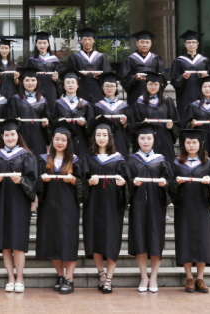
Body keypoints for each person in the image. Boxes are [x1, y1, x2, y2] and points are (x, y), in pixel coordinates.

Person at [166, 129, 210, 294]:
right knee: (185, 240)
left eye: (194, 142)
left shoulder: (209, 164)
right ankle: (189, 278)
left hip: (203, 208)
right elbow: (169, 185)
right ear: (184, 144)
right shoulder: (176, 163)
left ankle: (200, 278)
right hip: (184, 208)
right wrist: (176, 183)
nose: (191, 145)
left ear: (200, 144)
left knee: (203, 241)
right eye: (188, 142)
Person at [0, 119, 38, 293]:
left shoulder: (26, 155)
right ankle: (10, 278)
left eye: (12, 134)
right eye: (6, 135)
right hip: (1, 203)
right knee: (5, 242)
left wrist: (22, 180)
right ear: (2, 136)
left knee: (18, 241)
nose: (9, 138)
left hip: (19, 204)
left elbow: (33, 180)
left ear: (18, 136)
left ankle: (20, 279)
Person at [81, 117, 128, 294]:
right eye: (98, 135)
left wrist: (124, 184)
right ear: (94, 137)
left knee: (111, 240)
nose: (101, 138)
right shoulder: (87, 159)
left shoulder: (119, 159)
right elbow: (80, 184)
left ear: (110, 137)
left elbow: (127, 185)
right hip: (93, 206)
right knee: (94, 239)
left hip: (112, 206)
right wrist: (88, 183)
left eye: (104, 135)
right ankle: (101, 274)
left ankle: (109, 278)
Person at [36, 121, 83, 294]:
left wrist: (73, 180)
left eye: (63, 139)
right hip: (48, 206)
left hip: (68, 207)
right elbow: (36, 184)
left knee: (68, 241)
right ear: (52, 140)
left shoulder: (75, 161)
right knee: (52, 241)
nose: (60, 142)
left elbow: (83, 185)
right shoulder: (43, 159)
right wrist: (42, 180)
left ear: (68, 141)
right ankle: (60, 275)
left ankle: (69, 278)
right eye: (57, 139)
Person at [126, 122, 171, 293]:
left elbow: (170, 183)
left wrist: (165, 184)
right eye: (142, 138)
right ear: (137, 139)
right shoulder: (131, 160)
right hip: (138, 206)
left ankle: (154, 277)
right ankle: (144, 277)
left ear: (154, 139)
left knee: (155, 241)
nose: (145, 141)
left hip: (156, 207)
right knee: (140, 241)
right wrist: (132, 183)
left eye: (149, 138)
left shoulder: (161, 160)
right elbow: (125, 183)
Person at [131, 71, 180, 162]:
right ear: (145, 85)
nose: (153, 87)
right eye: (150, 84)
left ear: (160, 85)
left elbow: (176, 121)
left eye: (156, 84)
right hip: (146, 140)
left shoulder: (167, 101)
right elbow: (134, 123)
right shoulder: (139, 102)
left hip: (164, 140)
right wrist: (142, 124)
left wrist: (171, 126)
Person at [171, 30, 210, 114]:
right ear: (185, 44)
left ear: (197, 44)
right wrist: (182, 78)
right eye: (188, 42)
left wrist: (207, 78)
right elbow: (174, 81)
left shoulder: (205, 61)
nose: (191, 44)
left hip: (201, 95)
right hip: (185, 96)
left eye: (193, 42)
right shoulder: (179, 61)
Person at [8, 66, 50, 157]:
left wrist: (45, 125)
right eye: (27, 80)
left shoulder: (43, 101)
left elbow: (47, 124)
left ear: (37, 82)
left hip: (38, 139)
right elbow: (11, 119)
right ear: (22, 82)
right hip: (21, 139)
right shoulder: (15, 99)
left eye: (33, 80)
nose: (30, 83)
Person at [51, 68, 94, 157]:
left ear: (77, 85)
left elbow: (91, 126)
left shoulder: (86, 105)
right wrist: (59, 121)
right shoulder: (58, 104)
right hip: (62, 144)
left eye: (73, 82)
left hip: (81, 144)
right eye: (67, 82)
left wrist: (85, 124)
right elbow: (51, 124)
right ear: (63, 86)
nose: (70, 85)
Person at [119, 30, 165, 106]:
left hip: (153, 95)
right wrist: (135, 78)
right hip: (135, 94)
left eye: (147, 42)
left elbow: (163, 78)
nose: (144, 45)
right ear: (137, 43)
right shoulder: (130, 59)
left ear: (151, 44)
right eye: (142, 42)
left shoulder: (156, 59)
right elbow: (123, 79)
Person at [92, 72, 133, 155]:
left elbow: (131, 126)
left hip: (120, 142)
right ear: (102, 88)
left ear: (116, 88)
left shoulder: (124, 106)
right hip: (102, 142)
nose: (109, 88)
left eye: (112, 86)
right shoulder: (97, 106)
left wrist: (125, 124)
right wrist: (96, 122)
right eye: (106, 86)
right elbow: (91, 127)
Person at [67, 27, 112, 103]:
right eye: (85, 39)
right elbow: (70, 74)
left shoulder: (101, 57)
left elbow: (108, 73)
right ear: (81, 41)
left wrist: (100, 76)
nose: (87, 42)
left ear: (93, 40)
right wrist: (79, 74)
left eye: (90, 39)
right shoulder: (74, 57)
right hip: (81, 91)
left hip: (98, 91)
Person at [25, 31, 62, 103]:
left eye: (44, 43)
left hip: (51, 91)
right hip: (36, 91)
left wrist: (57, 78)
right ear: (36, 44)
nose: (42, 45)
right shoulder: (31, 60)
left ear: (48, 44)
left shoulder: (55, 60)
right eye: (39, 43)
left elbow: (61, 76)